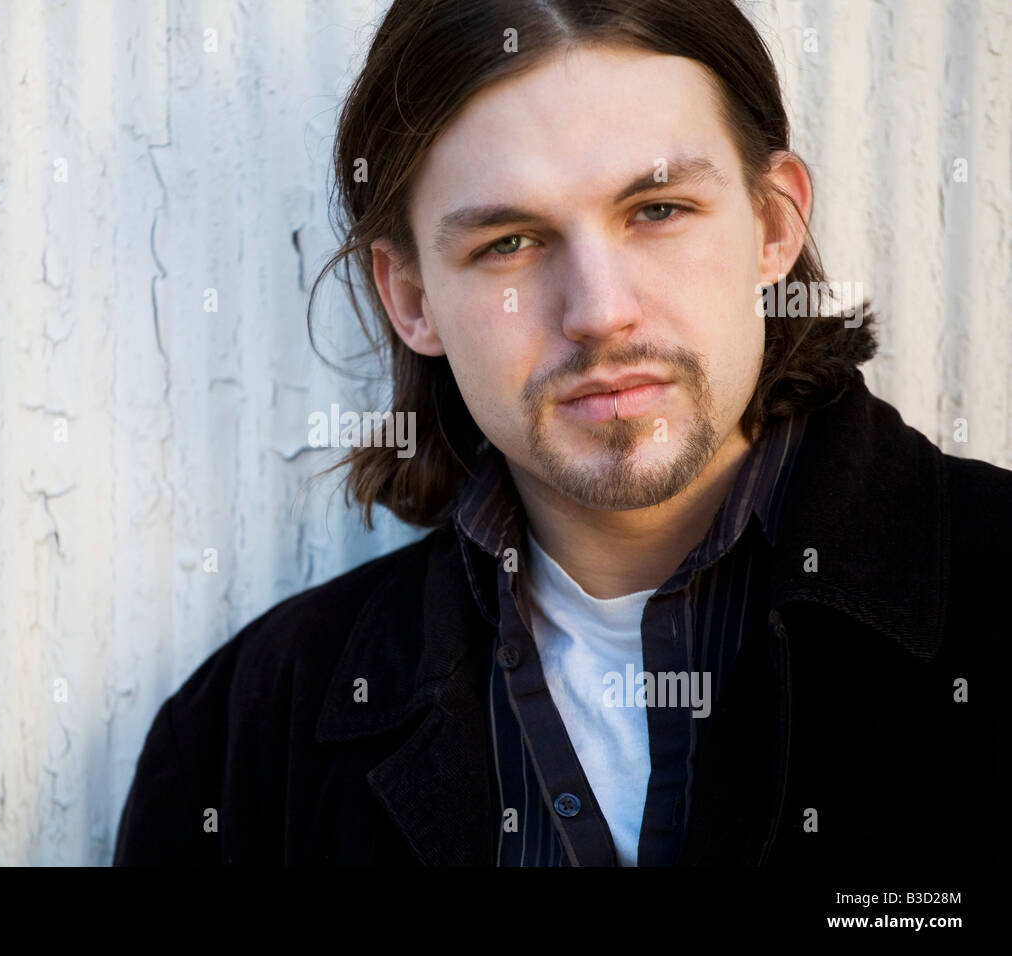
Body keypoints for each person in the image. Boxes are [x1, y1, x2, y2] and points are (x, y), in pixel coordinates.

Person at [113, 0, 1005, 866]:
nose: (601, 312)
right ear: (412, 299)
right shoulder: (246, 736)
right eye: (509, 242)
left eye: (657, 210)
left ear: (774, 226)